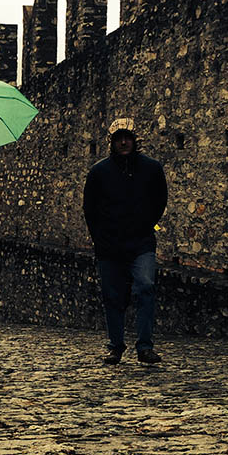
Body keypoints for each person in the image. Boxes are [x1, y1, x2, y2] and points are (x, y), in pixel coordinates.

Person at [82, 118, 168, 365]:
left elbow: (160, 200)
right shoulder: (99, 172)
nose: (123, 142)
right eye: (118, 138)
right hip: (110, 245)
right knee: (113, 296)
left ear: (134, 140)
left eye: (127, 137)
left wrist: (146, 224)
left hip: (141, 242)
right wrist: (100, 239)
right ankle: (116, 346)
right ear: (111, 142)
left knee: (145, 286)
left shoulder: (151, 168)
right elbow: (90, 208)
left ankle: (145, 347)